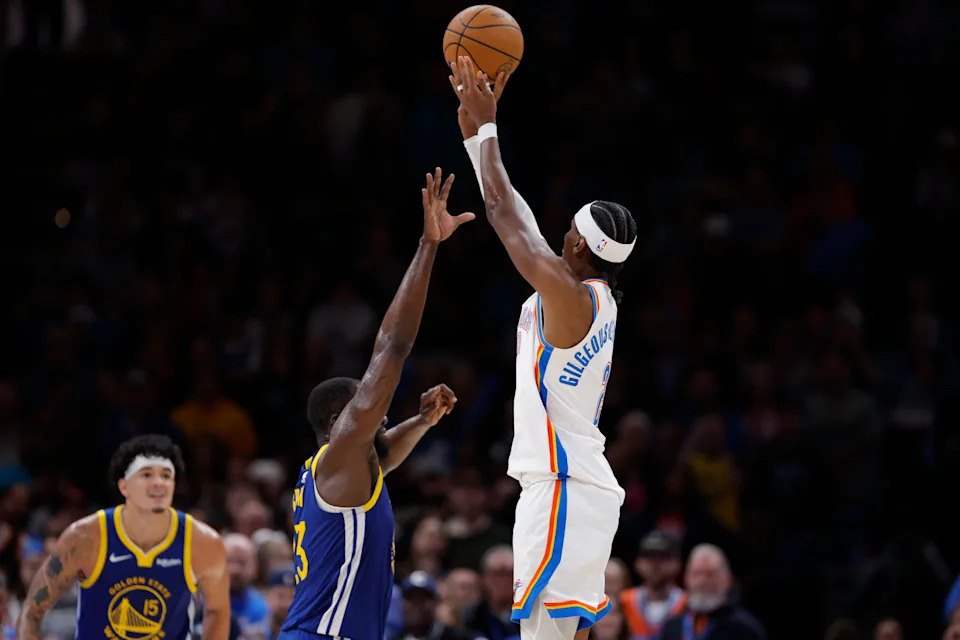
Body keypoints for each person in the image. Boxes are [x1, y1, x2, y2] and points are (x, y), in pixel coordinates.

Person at [450, 57, 640, 639]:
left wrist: (490, 129)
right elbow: (513, 210)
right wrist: (474, 130)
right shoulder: (587, 296)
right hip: (581, 489)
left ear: (580, 239)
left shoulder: (571, 297)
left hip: (559, 487)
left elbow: (506, 216)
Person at [279, 168, 474, 640]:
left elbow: (385, 455)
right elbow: (392, 346)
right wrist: (429, 246)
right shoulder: (340, 456)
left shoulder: (344, 473)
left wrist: (424, 420)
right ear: (336, 423)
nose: (380, 413)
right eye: (365, 407)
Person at [17, 434, 230, 640]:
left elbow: (218, 610)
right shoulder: (85, 538)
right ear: (124, 486)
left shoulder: (202, 542)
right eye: (146, 474)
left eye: (166, 475)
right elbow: (33, 610)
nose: (158, 482)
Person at [658, 544, 766, 640]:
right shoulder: (672, 627)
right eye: (697, 573)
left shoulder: (745, 629)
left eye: (710, 574)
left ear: (728, 580)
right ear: (686, 579)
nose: (702, 581)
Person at [618, 531, 686, 640]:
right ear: (637, 563)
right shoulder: (623, 602)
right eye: (649, 557)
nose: (655, 564)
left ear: (677, 563)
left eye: (663, 557)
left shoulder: (687, 603)